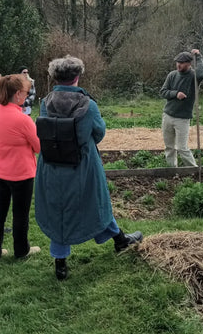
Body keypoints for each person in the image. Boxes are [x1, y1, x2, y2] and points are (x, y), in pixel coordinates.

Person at [34, 56, 143, 280]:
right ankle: (120, 241)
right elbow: (99, 133)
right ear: (77, 77)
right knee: (96, 202)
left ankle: (61, 263)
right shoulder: (88, 105)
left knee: (58, 208)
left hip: (52, 165)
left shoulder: (45, 102)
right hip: (82, 164)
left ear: (55, 77)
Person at [0, 74, 41, 262]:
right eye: (26, 92)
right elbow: (38, 147)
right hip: (21, 174)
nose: (27, 96)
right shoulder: (23, 120)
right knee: (20, 214)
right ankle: (21, 250)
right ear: (18, 94)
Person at [160, 49, 203, 167]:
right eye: (177, 62)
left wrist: (198, 56)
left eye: (181, 63)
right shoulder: (172, 75)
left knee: (182, 148)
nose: (178, 65)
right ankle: (172, 169)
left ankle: (193, 170)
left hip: (182, 118)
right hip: (168, 115)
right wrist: (175, 94)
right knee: (169, 147)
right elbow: (163, 92)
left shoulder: (194, 76)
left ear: (189, 63)